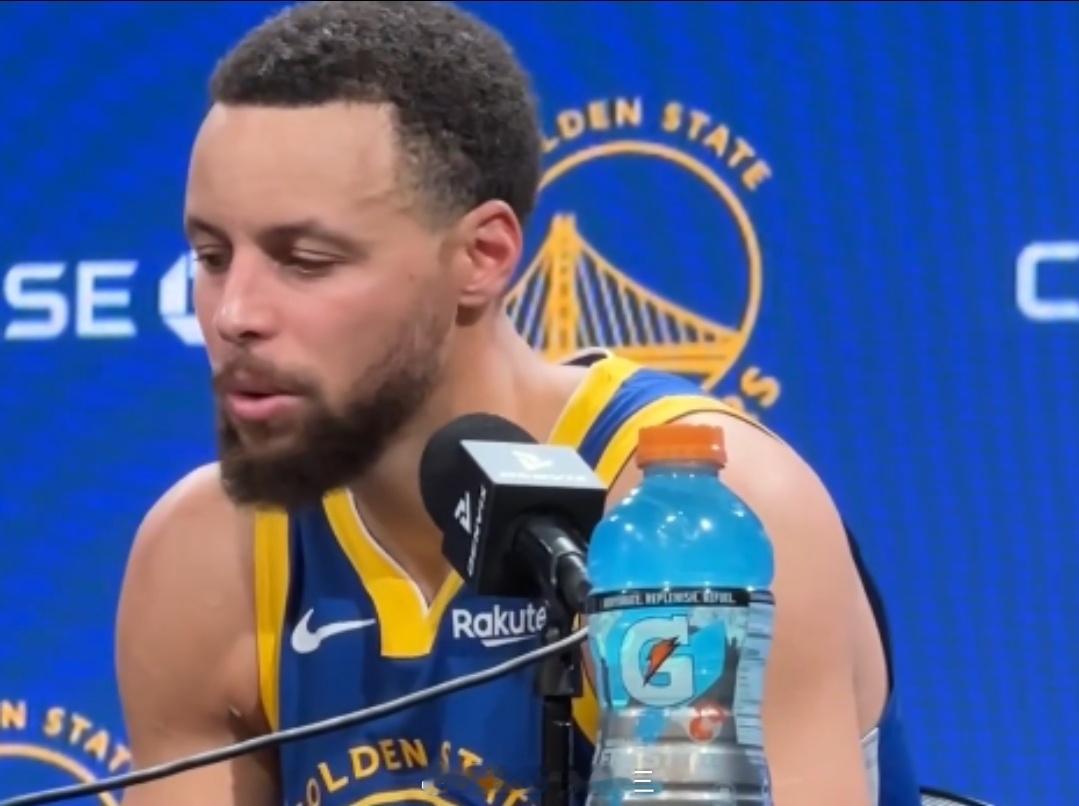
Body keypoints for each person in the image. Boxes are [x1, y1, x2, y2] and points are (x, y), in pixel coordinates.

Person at [114, 2, 920, 805]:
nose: (233, 313)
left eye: (306, 260)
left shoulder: (691, 525)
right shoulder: (209, 557)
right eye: (211, 256)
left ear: (483, 256)